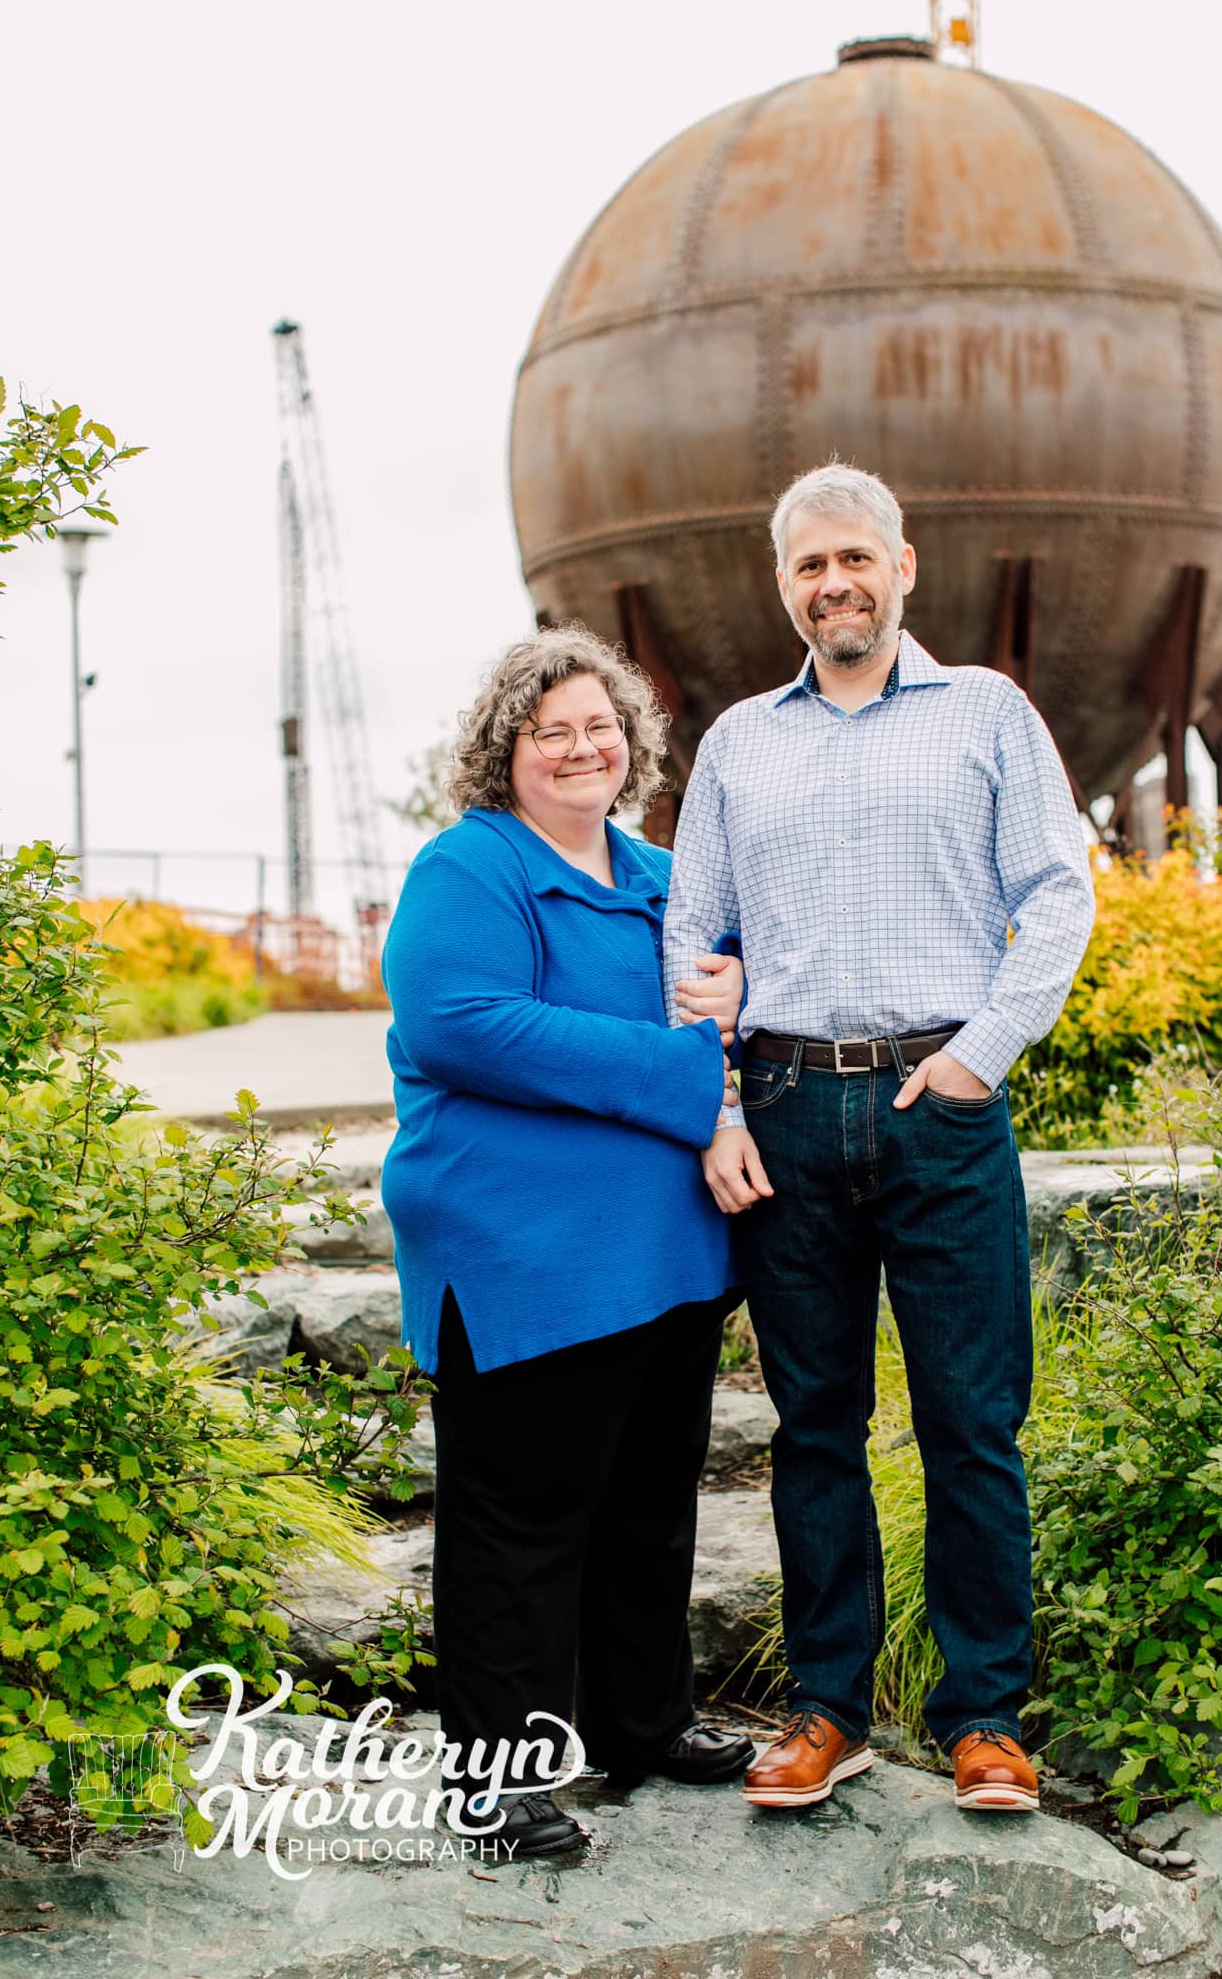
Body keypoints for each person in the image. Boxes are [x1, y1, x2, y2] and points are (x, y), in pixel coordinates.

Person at [663, 461, 1096, 1816]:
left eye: (856, 559)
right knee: (815, 1427)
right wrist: (721, 1109)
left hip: (938, 1110)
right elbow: (692, 941)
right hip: (788, 1115)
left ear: (903, 567)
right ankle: (828, 1709)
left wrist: (979, 1058)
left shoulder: (988, 716)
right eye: (808, 566)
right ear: (782, 585)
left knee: (973, 1424)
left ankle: (984, 1719)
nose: (834, 584)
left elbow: (1060, 891)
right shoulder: (741, 743)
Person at [379, 627, 754, 1860]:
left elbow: (732, 1000)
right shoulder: (469, 868)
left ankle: (642, 1723)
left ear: (633, 743)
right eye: (554, 731)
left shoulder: (658, 874)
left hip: (668, 1256)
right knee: (520, 1523)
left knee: (649, 1506)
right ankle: (498, 1783)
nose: (584, 747)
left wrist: (728, 1052)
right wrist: (688, 1072)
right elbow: (464, 1024)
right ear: (508, 751)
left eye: (603, 727)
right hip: (525, 1258)